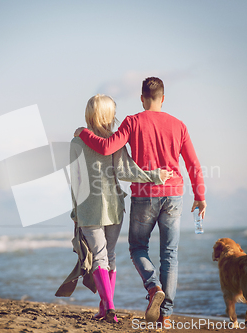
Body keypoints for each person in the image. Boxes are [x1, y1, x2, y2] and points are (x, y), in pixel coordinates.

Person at [74, 77, 206, 325]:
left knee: (137, 248)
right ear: (163, 99)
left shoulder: (133, 121)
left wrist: (83, 133)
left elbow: (106, 147)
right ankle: (165, 316)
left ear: (142, 98)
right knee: (170, 255)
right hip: (174, 194)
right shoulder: (179, 125)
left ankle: (153, 287)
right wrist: (200, 196)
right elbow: (193, 165)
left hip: (145, 195)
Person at [67, 94, 172, 323]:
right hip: (114, 207)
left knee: (99, 257)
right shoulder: (115, 142)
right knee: (110, 257)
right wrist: (155, 176)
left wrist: (75, 212)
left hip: (88, 208)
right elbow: (127, 171)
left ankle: (109, 309)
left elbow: (75, 182)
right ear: (108, 115)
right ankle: (106, 309)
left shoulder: (76, 143)